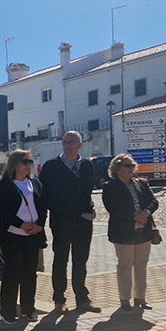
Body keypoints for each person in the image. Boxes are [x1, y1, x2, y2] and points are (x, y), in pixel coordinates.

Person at [39, 130, 101, 313]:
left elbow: (87, 189)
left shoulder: (87, 166)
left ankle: (82, 298)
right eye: (65, 142)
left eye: (72, 142)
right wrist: (61, 208)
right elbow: (45, 195)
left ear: (80, 145)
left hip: (83, 220)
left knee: (81, 260)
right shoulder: (51, 166)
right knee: (61, 260)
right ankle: (59, 299)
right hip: (61, 220)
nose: (68, 145)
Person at [0, 149, 47, 323]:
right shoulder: (5, 185)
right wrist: (21, 224)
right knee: (13, 272)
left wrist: (39, 226)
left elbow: (42, 206)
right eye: (25, 161)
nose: (28, 165)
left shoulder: (35, 183)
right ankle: (8, 311)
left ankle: (28, 308)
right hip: (12, 235)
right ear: (15, 163)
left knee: (30, 273)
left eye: (30, 162)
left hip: (33, 235)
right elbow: (2, 210)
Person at [102, 154, 159, 310]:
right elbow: (113, 209)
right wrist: (136, 217)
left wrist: (145, 213)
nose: (130, 169)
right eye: (127, 166)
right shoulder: (110, 186)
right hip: (123, 232)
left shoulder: (142, 183)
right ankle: (124, 299)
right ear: (117, 168)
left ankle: (140, 297)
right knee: (125, 265)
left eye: (132, 166)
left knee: (141, 265)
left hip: (143, 231)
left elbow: (154, 201)